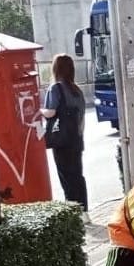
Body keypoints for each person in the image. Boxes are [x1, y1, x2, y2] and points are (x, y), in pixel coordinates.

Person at [42, 52, 89, 212]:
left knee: (66, 178)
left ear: (56, 69)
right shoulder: (77, 90)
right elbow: (81, 117)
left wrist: (38, 110)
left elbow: (50, 112)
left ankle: (73, 212)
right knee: (77, 176)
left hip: (62, 142)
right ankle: (83, 211)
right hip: (76, 140)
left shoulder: (56, 88)